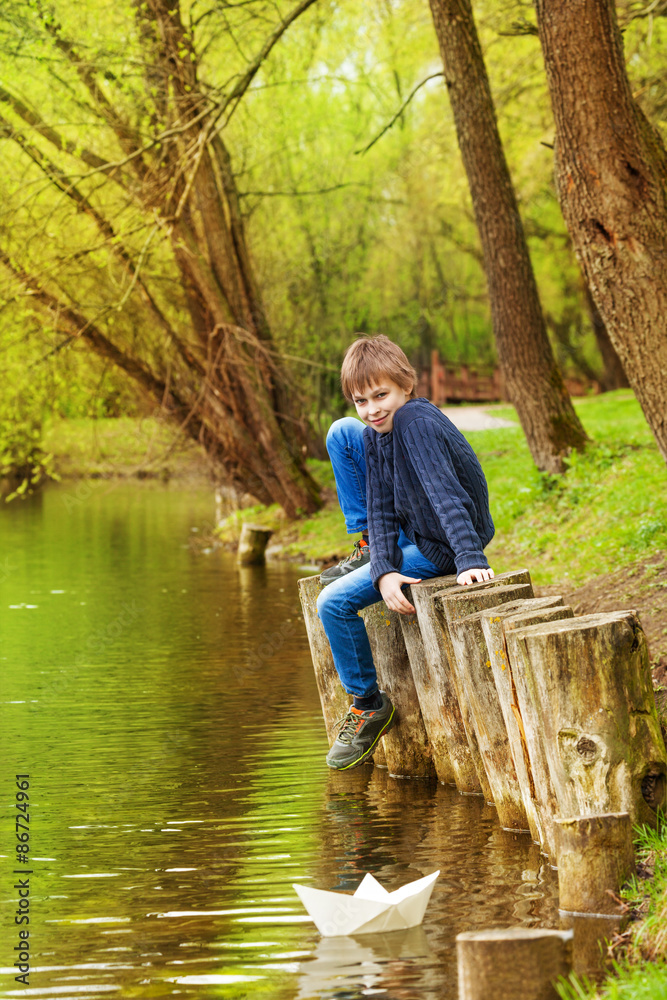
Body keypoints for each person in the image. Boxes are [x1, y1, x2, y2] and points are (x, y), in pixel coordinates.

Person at [317, 334, 495, 770]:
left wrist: (470, 560)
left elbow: (447, 494)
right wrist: (382, 570)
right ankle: (373, 561)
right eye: (362, 400)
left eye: (381, 395)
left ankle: (368, 704)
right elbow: (378, 508)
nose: (372, 409)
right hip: (415, 534)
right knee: (345, 435)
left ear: (406, 386)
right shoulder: (376, 435)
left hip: (446, 545)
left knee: (332, 603)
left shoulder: (414, 422)